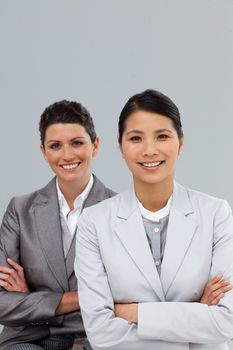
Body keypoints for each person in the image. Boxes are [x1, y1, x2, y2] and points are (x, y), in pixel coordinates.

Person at [75, 89, 233, 350]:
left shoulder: (216, 213)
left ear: (181, 143)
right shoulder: (94, 222)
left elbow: (226, 321)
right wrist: (196, 315)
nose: (149, 150)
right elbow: (100, 333)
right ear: (121, 146)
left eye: (162, 136)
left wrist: (133, 313)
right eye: (136, 138)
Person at [0, 100, 115, 350]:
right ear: (43, 151)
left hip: (98, 340)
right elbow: (2, 303)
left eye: (77, 143)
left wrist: (32, 299)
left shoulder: (121, 210)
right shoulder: (20, 210)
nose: (67, 155)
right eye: (55, 146)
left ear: (95, 145)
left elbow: (135, 297)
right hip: (31, 339)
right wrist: (88, 297)